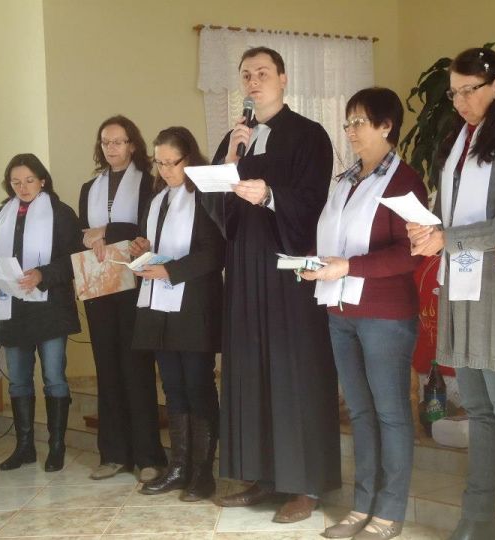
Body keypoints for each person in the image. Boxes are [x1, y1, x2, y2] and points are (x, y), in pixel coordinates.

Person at [407, 47, 495, 540]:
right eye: (454, 92)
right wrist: (428, 230)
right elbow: (450, 216)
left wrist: (449, 238)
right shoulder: (461, 140)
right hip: (461, 285)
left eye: (470, 90)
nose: (460, 101)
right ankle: (477, 519)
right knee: (480, 408)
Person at [202, 46, 341, 523]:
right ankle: (261, 476)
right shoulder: (234, 136)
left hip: (289, 268)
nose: (254, 81)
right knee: (250, 369)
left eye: (263, 73)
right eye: (246, 75)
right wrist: (230, 157)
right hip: (243, 267)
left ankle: (305, 485)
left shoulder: (310, 135)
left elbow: (318, 203)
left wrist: (271, 197)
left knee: (292, 370)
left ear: (283, 78)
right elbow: (217, 210)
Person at [301, 87, 426, 540]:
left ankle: (389, 512)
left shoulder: (404, 181)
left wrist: (349, 266)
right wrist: (311, 262)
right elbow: (330, 238)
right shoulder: (344, 179)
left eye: (359, 122)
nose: (350, 131)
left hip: (385, 315)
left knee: (391, 413)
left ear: (386, 126)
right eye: (348, 122)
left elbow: (409, 252)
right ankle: (362, 505)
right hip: (340, 309)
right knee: (359, 411)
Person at [131, 126, 224, 501]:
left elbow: (216, 253)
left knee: (198, 387)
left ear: (190, 159)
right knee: (172, 388)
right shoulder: (157, 199)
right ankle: (179, 467)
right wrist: (142, 246)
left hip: (194, 306)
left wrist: (171, 270)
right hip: (158, 306)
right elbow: (157, 244)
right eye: (161, 163)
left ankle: (204, 474)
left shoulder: (204, 196)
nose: (167, 170)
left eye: (174, 163)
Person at [0, 153, 82, 472]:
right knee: (19, 381)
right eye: (16, 182)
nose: (23, 187)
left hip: (50, 309)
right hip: (13, 310)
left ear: (43, 180)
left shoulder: (61, 214)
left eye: (29, 181)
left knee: (53, 378)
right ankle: (24, 447)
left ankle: (57, 446)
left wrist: (42, 275)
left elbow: (74, 260)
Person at [78, 115, 166, 482]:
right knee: (107, 370)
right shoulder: (89, 187)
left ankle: (148, 456)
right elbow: (81, 232)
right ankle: (113, 454)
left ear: (133, 145)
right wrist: (89, 236)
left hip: (135, 285)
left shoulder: (149, 182)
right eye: (105, 142)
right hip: (99, 287)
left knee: (136, 368)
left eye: (118, 141)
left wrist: (106, 231)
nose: (111, 148)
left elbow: (147, 228)